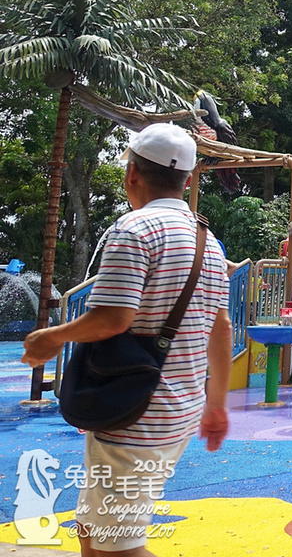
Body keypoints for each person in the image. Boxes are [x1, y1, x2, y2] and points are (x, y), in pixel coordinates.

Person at [22, 123, 231, 556]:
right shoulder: (208, 244)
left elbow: (114, 317)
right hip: (177, 410)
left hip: (134, 414)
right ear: (187, 181)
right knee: (93, 533)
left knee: (115, 548)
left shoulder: (134, 230)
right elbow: (221, 327)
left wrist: (52, 337)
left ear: (132, 173)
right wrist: (216, 405)